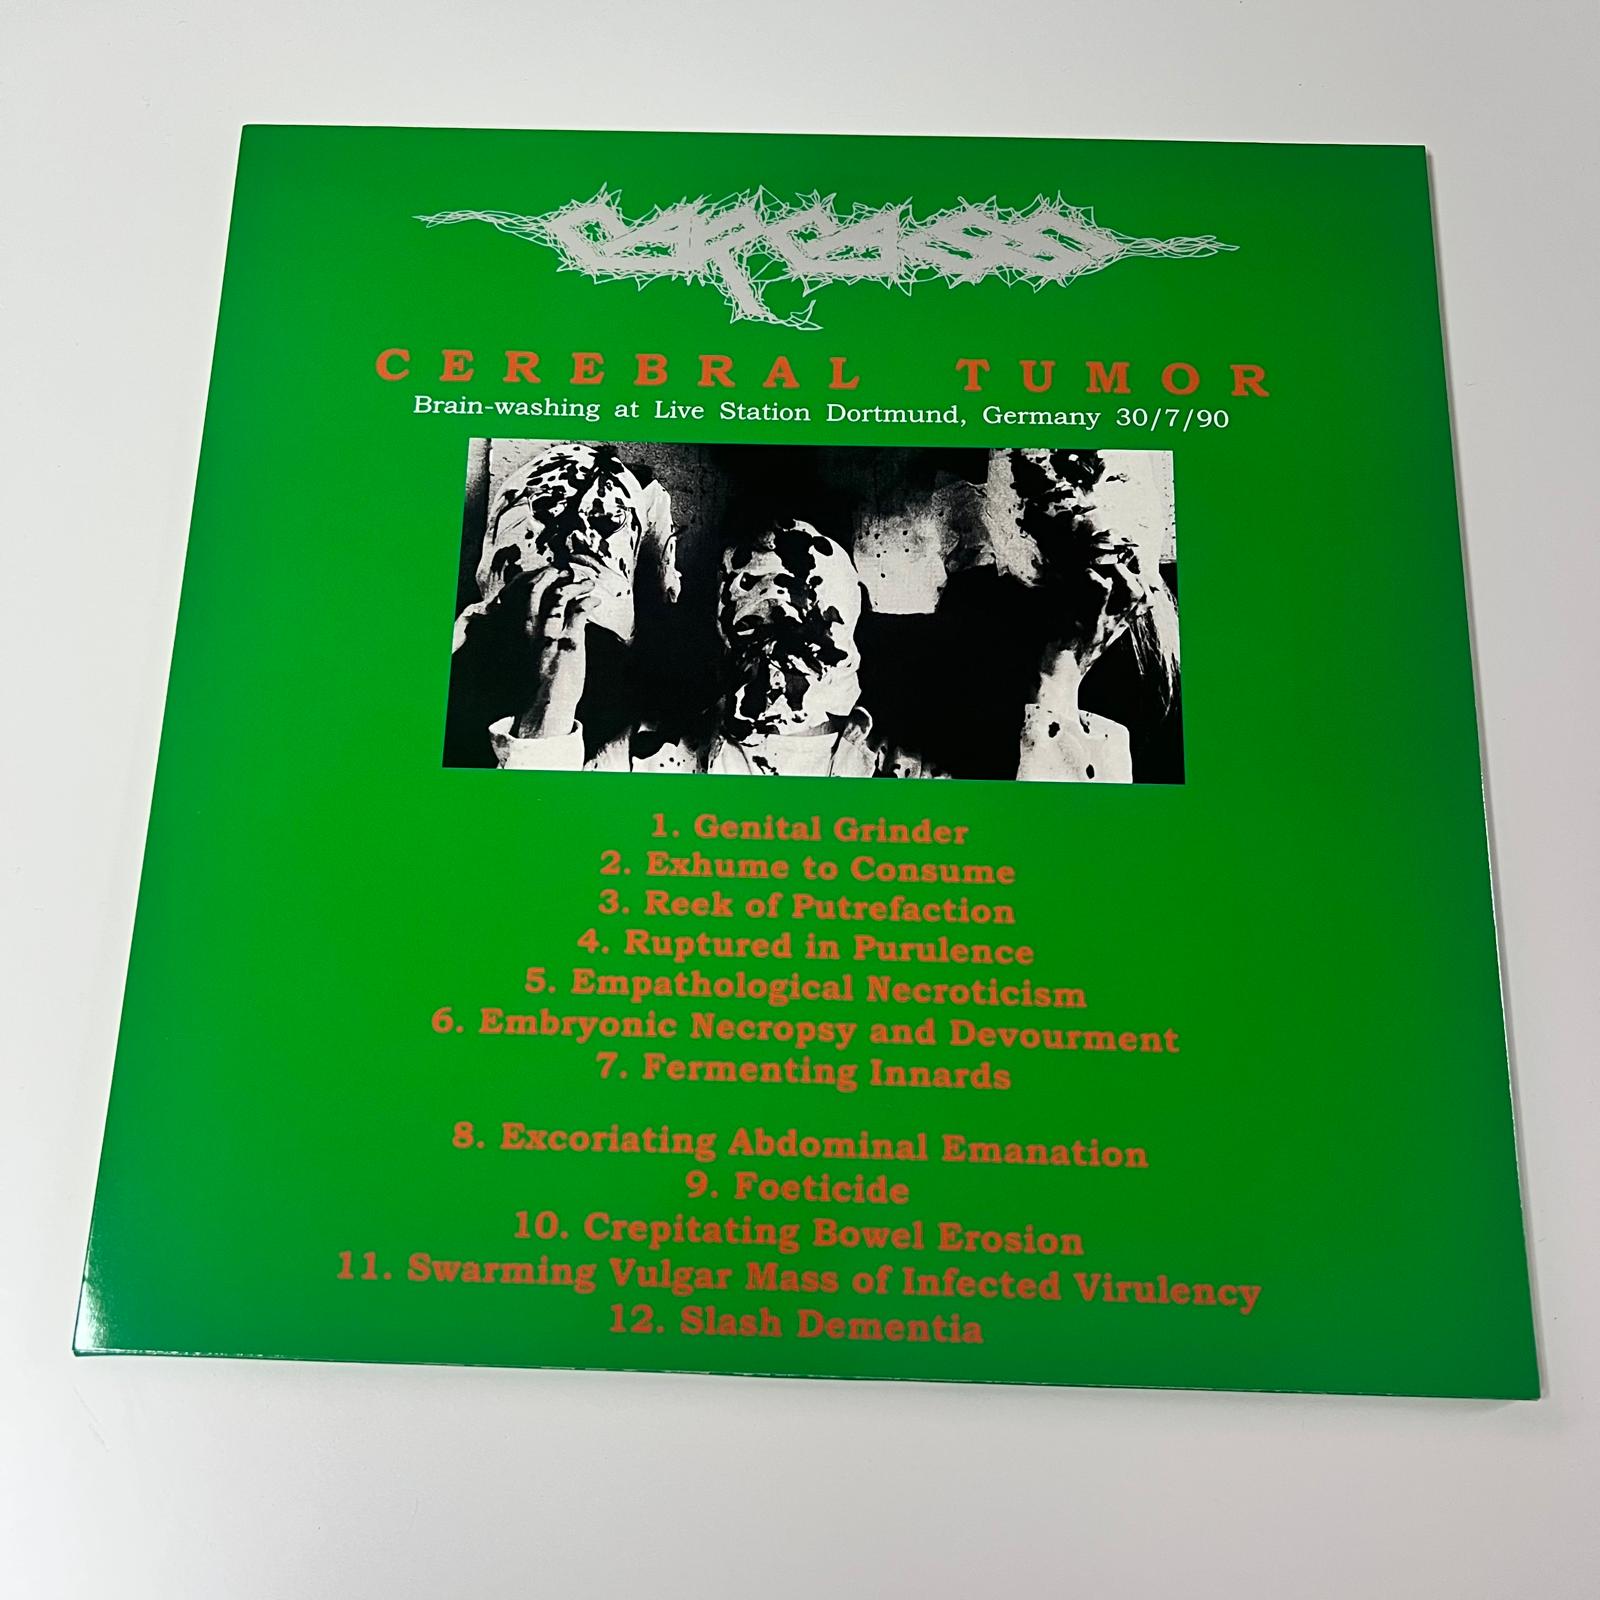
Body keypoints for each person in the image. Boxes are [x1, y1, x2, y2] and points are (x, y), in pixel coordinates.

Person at [491, 518, 937, 777]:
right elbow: (539, 845)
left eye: (792, 621)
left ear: (848, 620)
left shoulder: (909, 776)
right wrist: (551, 705)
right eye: (751, 625)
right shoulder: (646, 758)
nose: (771, 646)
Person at [443, 441, 676, 767]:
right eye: (546, 505)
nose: (576, 532)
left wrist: (550, 713)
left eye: (609, 519)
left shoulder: (653, 750)